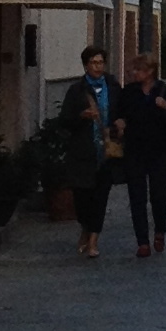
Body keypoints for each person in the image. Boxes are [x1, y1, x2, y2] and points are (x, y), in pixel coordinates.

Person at [59, 44, 120, 260]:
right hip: (82, 152)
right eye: (94, 63)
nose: (98, 66)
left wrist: (120, 123)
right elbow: (64, 120)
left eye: (101, 62)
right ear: (86, 65)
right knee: (82, 198)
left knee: (100, 197)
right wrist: (80, 116)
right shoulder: (76, 90)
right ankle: (85, 227)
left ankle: (93, 239)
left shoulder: (113, 86)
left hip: (105, 151)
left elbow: (120, 111)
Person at [119, 52, 166, 259]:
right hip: (134, 150)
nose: (135, 73)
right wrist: (119, 122)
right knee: (137, 196)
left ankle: (160, 230)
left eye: (139, 70)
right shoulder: (129, 92)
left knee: (159, 195)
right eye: (134, 69)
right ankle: (142, 241)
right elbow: (119, 113)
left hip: (159, 150)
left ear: (150, 71)